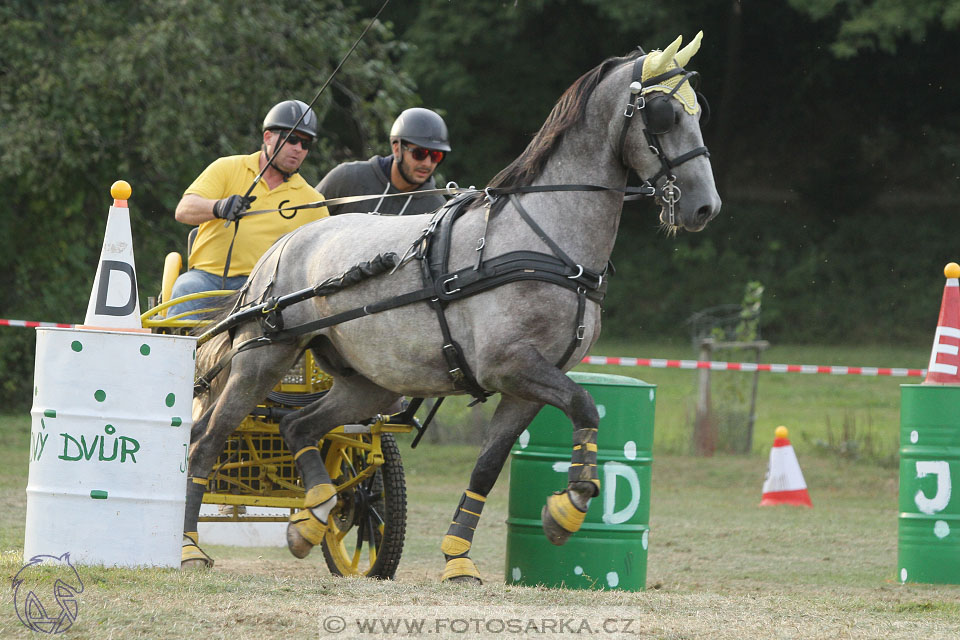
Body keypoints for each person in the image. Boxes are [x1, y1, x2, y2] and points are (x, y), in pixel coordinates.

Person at [169, 99, 329, 317]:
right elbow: (184, 210)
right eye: (292, 139)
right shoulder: (228, 167)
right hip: (206, 279)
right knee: (185, 289)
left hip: (264, 288)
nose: (298, 149)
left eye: (306, 144)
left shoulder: (313, 200)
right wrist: (219, 207)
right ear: (267, 137)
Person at [316, 107, 451, 216]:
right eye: (419, 154)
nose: (427, 163)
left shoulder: (436, 209)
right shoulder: (347, 177)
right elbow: (303, 224)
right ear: (397, 149)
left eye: (436, 156)